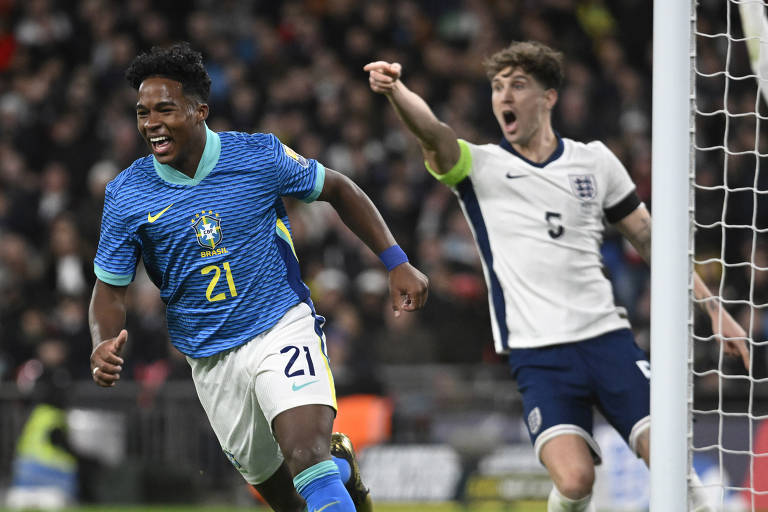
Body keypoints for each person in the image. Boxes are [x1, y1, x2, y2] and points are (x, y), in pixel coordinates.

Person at [365, 41, 750, 512]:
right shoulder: (481, 167)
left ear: (548, 98)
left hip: (606, 338)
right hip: (538, 354)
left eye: (518, 85)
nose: (504, 95)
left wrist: (713, 310)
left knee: (670, 460)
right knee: (574, 481)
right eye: (497, 86)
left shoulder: (594, 161)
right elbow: (434, 134)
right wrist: (396, 90)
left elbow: (651, 240)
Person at [88, 42, 429, 512]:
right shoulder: (127, 195)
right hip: (210, 359)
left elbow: (338, 188)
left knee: (306, 454)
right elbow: (109, 289)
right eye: (143, 112)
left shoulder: (257, 156)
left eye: (165, 109)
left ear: (199, 110)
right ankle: (343, 472)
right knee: (287, 500)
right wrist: (101, 341)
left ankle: (328, 470)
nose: (151, 123)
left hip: (279, 325)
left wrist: (396, 261)